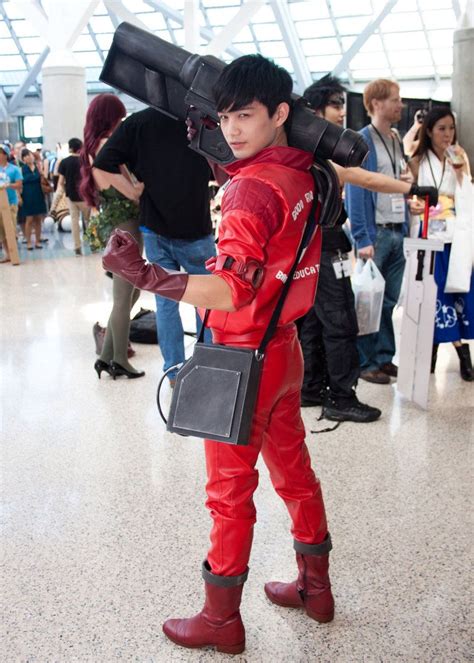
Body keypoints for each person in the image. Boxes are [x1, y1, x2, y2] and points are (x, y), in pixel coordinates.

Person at [103, 54, 335, 654]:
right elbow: (274, 222)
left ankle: (220, 619)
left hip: (239, 357)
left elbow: (231, 289)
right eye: (225, 115)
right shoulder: (305, 172)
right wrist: (223, 161)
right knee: (295, 473)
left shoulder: (249, 193)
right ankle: (317, 588)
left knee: (229, 493)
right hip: (284, 352)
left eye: (246, 116)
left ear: (280, 113)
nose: (232, 129)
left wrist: (148, 276)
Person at [298, 75, 437, 421]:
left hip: (315, 244)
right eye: (335, 105)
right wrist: (412, 190)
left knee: (316, 320)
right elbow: (365, 180)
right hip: (323, 245)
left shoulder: (307, 151)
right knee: (341, 319)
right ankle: (341, 397)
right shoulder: (315, 154)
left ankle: (312, 387)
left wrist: (410, 191)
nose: (342, 112)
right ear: (316, 110)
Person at [92, 107, 215, 387]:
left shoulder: (139, 122)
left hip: (155, 226)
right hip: (196, 225)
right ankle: (207, 367)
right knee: (207, 302)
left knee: (166, 303)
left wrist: (133, 190)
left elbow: (102, 162)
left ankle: (173, 373)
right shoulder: (199, 119)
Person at [345, 79, 419, 384]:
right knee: (368, 301)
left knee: (388, 301)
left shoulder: (393, 138)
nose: (400, 105)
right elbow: (357, 189)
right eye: (395, 100)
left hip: (397, 230)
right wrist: (362, 237)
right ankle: (365, 362)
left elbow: (395, 183)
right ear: (377, 103)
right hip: (374, 235)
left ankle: (384, 357)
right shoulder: (363, 140)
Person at [79, 93, 145, 380]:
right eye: (120, 117)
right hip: (124, 225)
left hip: (115, 225)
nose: (123, 123)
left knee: (132, 291)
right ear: (110, 118)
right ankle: (119, 359)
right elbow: (132, 192)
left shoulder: (93, 148)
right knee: (123, 297)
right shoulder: (108, 147)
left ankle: (106, 356)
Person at [408, 107, 473, 380]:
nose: (447, 134)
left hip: (455, 235)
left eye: (451, 128)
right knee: (433, 296)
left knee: (458, 292)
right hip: (427, 233)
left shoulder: (459, 155)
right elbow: (409, 192)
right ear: (430, 131)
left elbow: (467, 190)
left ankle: (462, 352)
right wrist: (413, 204)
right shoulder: (417, 159)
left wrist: (461, 172)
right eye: (441, 129)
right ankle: (434, 351)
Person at [58, 138, 91, 256]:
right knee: (89, 220)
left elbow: (61, 182)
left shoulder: (64, 162)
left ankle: (77, 247)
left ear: (70, 148)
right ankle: (93, 243)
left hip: (71, 196)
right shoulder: (86, 161)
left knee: (74, 221)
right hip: (85, 195)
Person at [20, 148, 47, 250]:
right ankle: (28, 242)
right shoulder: (22, 169)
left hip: (38, 194)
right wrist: (36, 177)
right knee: (29, 219)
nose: (28, 157)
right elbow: (24, 180)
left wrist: (39, 173)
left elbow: (43, 177)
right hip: (27, 196)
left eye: (29, 155)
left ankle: (38, 241)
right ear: (23, 159)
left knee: (38, 219)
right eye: (25, 156)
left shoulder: (38, 167)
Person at [0, 144, 23, 263]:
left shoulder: (14, 169)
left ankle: (14, 253)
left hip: (11, 202)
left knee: (11, 228)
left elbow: (19, 184)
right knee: (1, 231)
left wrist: (8, 185)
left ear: (5, 155)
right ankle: (7, 254)